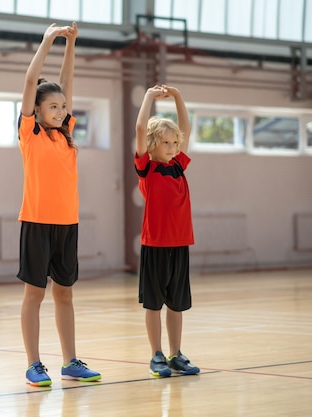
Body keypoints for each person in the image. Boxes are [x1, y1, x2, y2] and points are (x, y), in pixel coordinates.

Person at [17, 22, 101, 387]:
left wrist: (71, 45)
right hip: (37, 221)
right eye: (52, 106)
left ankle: (70, 362)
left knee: (64, 293)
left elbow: (66, 82)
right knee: (35, 293)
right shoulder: (30, 133)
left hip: (68, 223)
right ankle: (34, 364)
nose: (60, 109)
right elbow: (30, 79)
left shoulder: (65, 134)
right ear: (36, 109)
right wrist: (48, 40)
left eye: (63, 106)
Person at [134, 84, 201, 378]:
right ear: (151, 145)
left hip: (179, 245)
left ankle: (176, 354)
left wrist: (178, 97)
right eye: (166, 143)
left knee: (177, 304)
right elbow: (139, 127)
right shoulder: (147, 169)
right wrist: (149, 97)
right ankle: (156, 355)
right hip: (155, 246)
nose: (173, 147)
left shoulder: (178, 166)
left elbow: (185, 126)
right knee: (154, 303)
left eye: (175, 143)